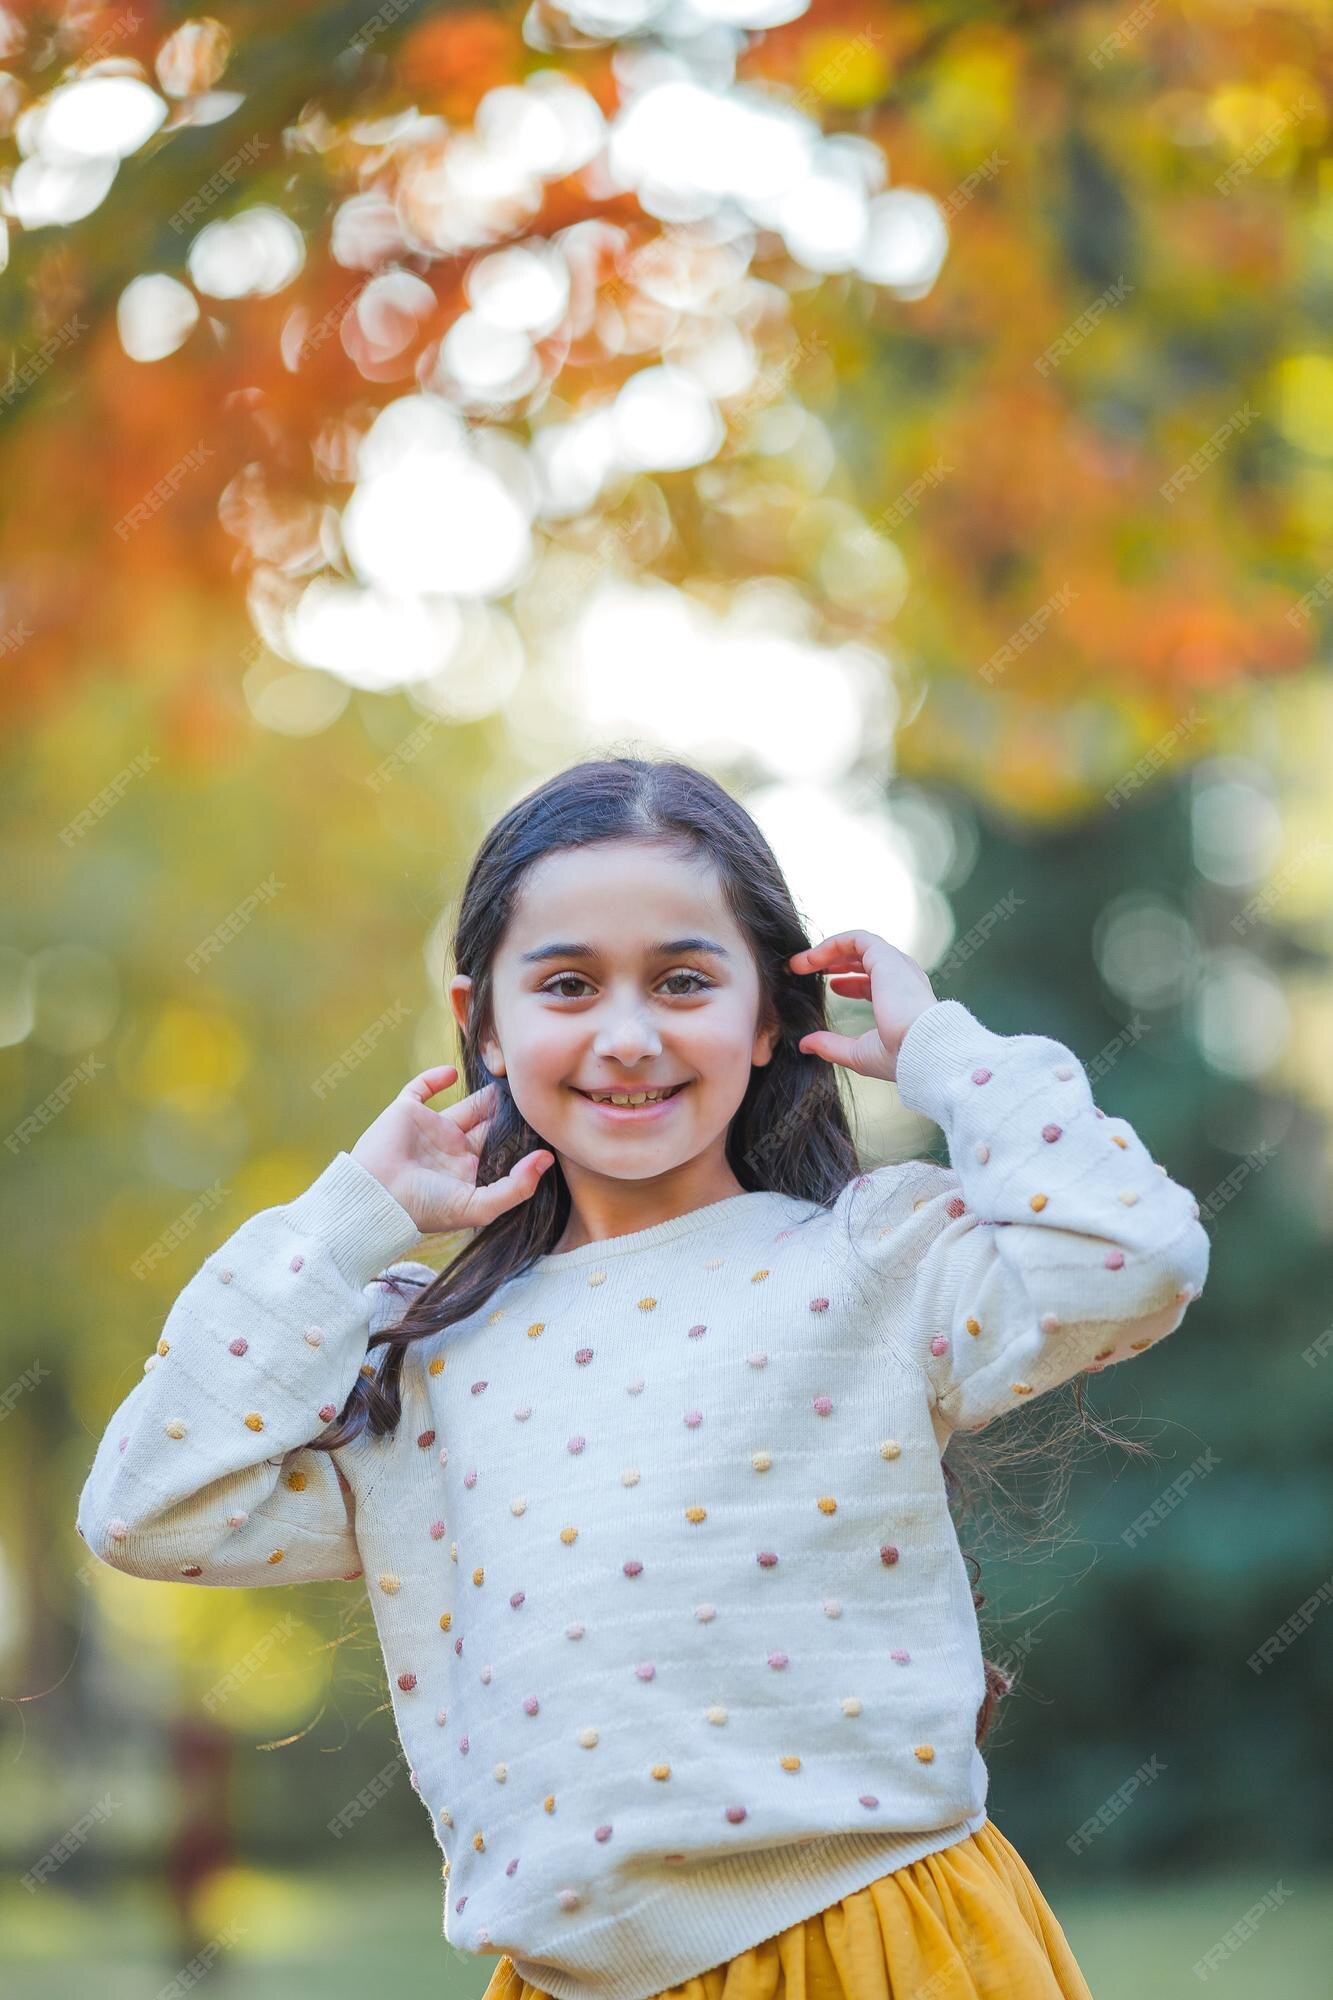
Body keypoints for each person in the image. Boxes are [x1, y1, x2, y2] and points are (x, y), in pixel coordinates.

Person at [76, 756, 1209, 2000]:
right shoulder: (418, 1357)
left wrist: (948, 1052)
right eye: (566, 984)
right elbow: (148, 1505)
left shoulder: (872, 1259)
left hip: (881, 1946)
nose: (626, 1035)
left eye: (682, 979)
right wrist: (346, 1220)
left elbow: (1132, 1256)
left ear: (769, 1014)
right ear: (484, 1021)